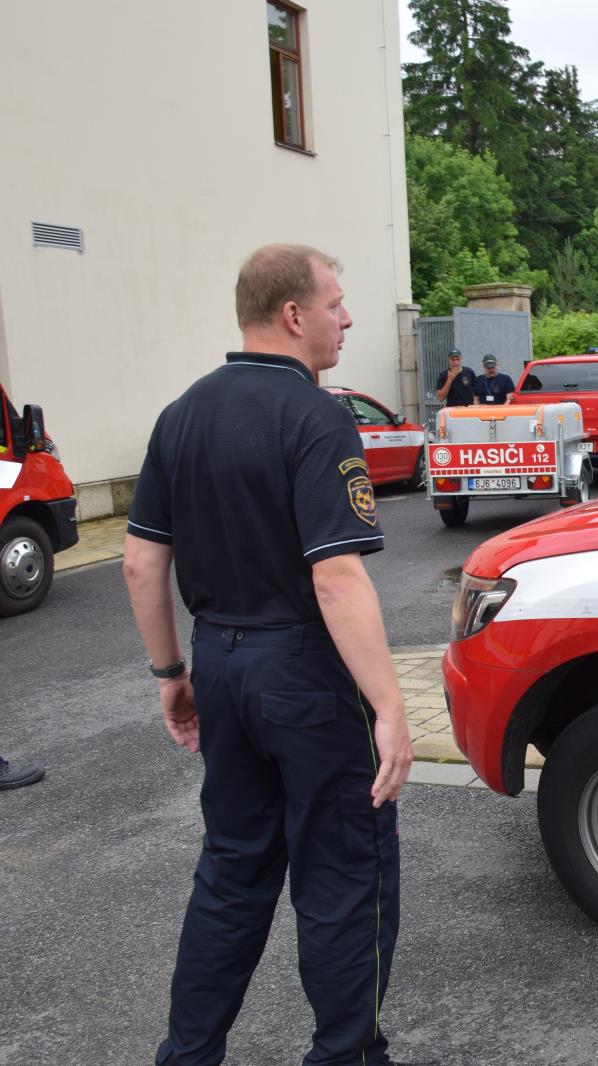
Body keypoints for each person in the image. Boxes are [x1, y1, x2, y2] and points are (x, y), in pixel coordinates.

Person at [123, 244, 416, 1066]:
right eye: (336, 304)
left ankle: (187, 1055)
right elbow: (337, 579)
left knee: (231, 874)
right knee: (342, 877)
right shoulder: (317, 415)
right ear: (293, 315)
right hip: (305, 676)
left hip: (220, 662)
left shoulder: (180, 413)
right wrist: (391, 709)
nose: (347, 318)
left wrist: (171, 674)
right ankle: (346, 1055)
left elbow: (142, 561)